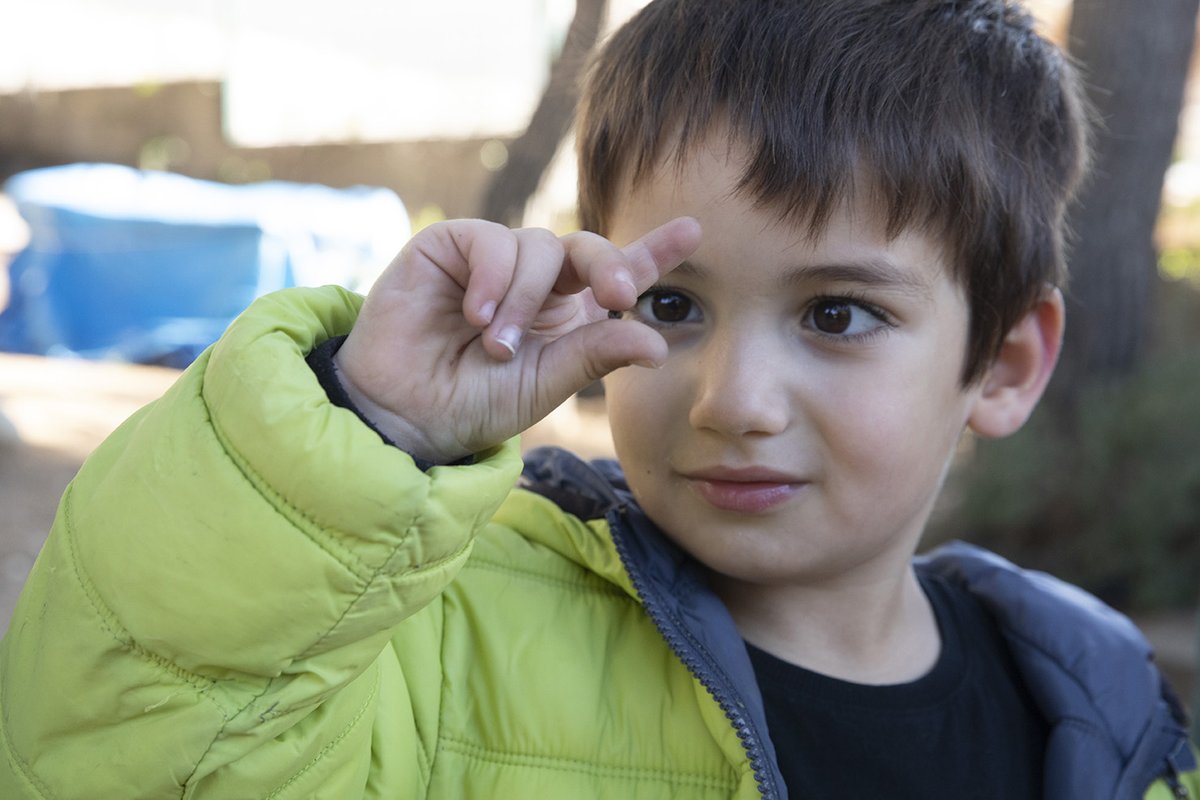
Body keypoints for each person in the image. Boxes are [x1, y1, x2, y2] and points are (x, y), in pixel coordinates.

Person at [1, 0, 1196, 797]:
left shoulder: (1105, 714)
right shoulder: (439, 637)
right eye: (673, 305)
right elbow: (132, 746)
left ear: (1005, 360)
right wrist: (373, 425)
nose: (734, 399)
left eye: (837, 313)